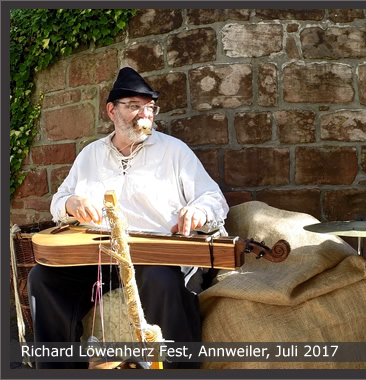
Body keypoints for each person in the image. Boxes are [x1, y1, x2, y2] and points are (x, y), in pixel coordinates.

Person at [28, 67, 229, 369]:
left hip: (155, 254)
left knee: (159, 278)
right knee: (43, 278)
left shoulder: (174, 152)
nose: (144, 114)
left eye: (149, 107)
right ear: (112, 110)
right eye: (134, 106)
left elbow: (214, 199)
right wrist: (70, 203)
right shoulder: (90, 155)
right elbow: (58, 200)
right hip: (100, 255)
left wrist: (198, 211)